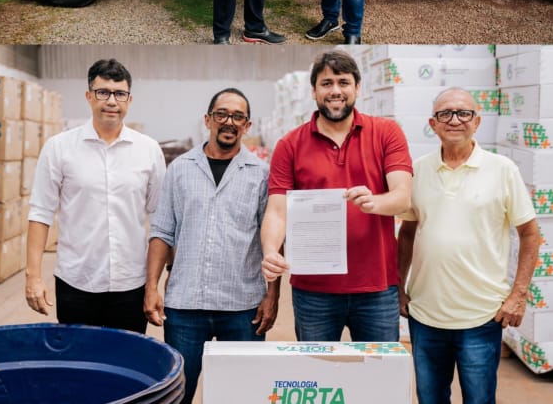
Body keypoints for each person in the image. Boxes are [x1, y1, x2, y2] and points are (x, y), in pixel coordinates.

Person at [397, 88, 541, 404]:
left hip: (482, 316)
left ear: (477, 121)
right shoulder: (418, 170)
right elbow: (407, 232)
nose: (454, 120)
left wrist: (518, 295)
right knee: (430, 398)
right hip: (426, 316)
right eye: (445, 114)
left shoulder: (503, 170)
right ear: (432, 124)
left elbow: (530, 234)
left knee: (479, 399)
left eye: (463, 113)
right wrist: (399, 287)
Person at [261, 51, 413, 341]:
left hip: (377, 289)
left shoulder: (386, 133)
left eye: (343, 82)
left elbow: (402, 197)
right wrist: (270, 250)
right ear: (314, 91)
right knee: (318, 379)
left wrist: (374, 202)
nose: (335, 91)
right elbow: (277, 211)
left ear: (357, 87)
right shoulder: (290, 144)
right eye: (326, 83)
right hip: (314, 292)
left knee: (378, 376)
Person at [145, 88, 279, 404]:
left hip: (243, 308)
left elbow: (272, 240)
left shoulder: (261, 174)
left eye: (238, 116)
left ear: (247, 126)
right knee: (177, 394)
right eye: (221, 114)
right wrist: (151, 287)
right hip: (185, 307)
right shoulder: (179, 169)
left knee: (244, 396)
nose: (229, 122)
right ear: (208, 119)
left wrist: (272, 295)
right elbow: (162, 232)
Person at [25, 59, 165, 332]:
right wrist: (33, 276)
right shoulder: (59, 148)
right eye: (103, 92)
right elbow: (41, 212)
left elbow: (159, 219)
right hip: (76, 282)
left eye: (119, 94)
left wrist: (153, 284)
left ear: (129, 99)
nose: (111, 101)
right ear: (89, 97)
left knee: (126, 366)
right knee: (80, 365)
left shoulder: (148, 150)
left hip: (130, 284)